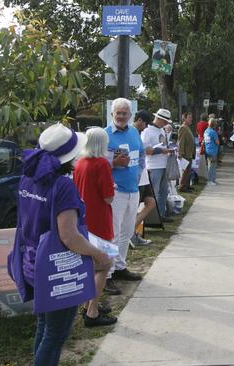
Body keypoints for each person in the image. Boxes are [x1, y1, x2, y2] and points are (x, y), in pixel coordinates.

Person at [9, 123, 112, 365]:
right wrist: (100, 256)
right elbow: (69, 236)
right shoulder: (63, 184)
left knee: (44, 327)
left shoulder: (28, 177)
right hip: (58, 270)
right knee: (55, 335)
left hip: (32, 262)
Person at [73, 127, 118, 327]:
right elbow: (108, 197)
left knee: (89, 265)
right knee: (103, 265)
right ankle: (92, 311)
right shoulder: (101, 164)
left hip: (83, 220)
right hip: (100, 219)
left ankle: (88, 304)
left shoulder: (79, 163)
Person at [104, 98, 145, 295]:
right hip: (115, 192)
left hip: (133, 190)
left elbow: (142, 155)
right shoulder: (105, 135)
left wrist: (138, 173)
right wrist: (113, 163)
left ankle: (119, 267)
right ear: (112, 114)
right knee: (112, 234)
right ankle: (107, 274)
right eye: (118, 113)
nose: (121, 116)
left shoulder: (134, 131)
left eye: (124, 113)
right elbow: (96, 164)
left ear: (130, 115)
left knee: (127, 232)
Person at [142, 108, 173, 222]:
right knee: (154, 192)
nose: (165, 124)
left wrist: (168, 150)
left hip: (163, 164)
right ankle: (151, 217)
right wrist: (162, 151)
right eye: (164, 121)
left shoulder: (161, 130)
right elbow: (146, 150)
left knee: (163, 191)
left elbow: (162, 145)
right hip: (153, 166)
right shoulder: (147, 131)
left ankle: (160, 215)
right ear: (158, 119)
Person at [132, 110, 156, 246]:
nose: (146, 127)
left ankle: (131, 231)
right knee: (133, 208)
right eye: (145, 124)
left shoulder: (138, 133)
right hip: (137, 178)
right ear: (139, 120)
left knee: (151, 203)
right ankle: (132, 233)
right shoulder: (132, 133)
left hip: (143, 176)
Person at [177, 112, 195, 192]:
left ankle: (187, 185)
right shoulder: (183, 128)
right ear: (184, 118)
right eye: (189, 117)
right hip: (185, 153)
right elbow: (181, 141)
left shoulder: (187, 127)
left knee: (188, 170)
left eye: (191, 117)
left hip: (189, 153)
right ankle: (182, 186)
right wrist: (180, 153)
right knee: (185, 171)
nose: (191, 119)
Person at [204, 118, 220, 185]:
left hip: (207, 149)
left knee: (210, 165)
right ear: (214, 124)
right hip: (213, 151)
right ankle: (210, 180)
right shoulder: (213, 132)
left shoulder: (206, 131)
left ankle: (212, 179)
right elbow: (217, 142)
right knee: (212, 166)